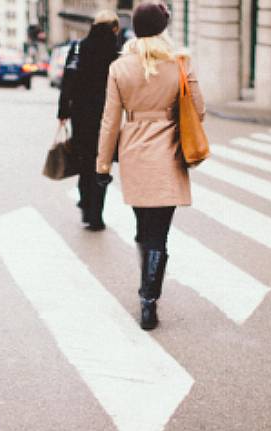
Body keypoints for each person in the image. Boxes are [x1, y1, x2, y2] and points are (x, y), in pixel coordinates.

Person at [95, 1, 205, 330]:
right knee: (160, 234)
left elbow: (109, 121)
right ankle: (149, 299)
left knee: (144, 231)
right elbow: (198, 109)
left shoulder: (120, 68)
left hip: (134, 155)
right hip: (169, 155)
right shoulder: (180, 63)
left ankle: (147, 290)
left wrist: (103, 166)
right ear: (162, 28)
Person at [57, 10, 120, 231]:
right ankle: (96, 215)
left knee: (85, 162)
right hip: (107, 117)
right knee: (102, 165)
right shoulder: (116, 52)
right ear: (113, 27)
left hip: (81, 116)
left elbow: (68, 80)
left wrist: (63, 111)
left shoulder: (77, 48)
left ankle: (86, 206)